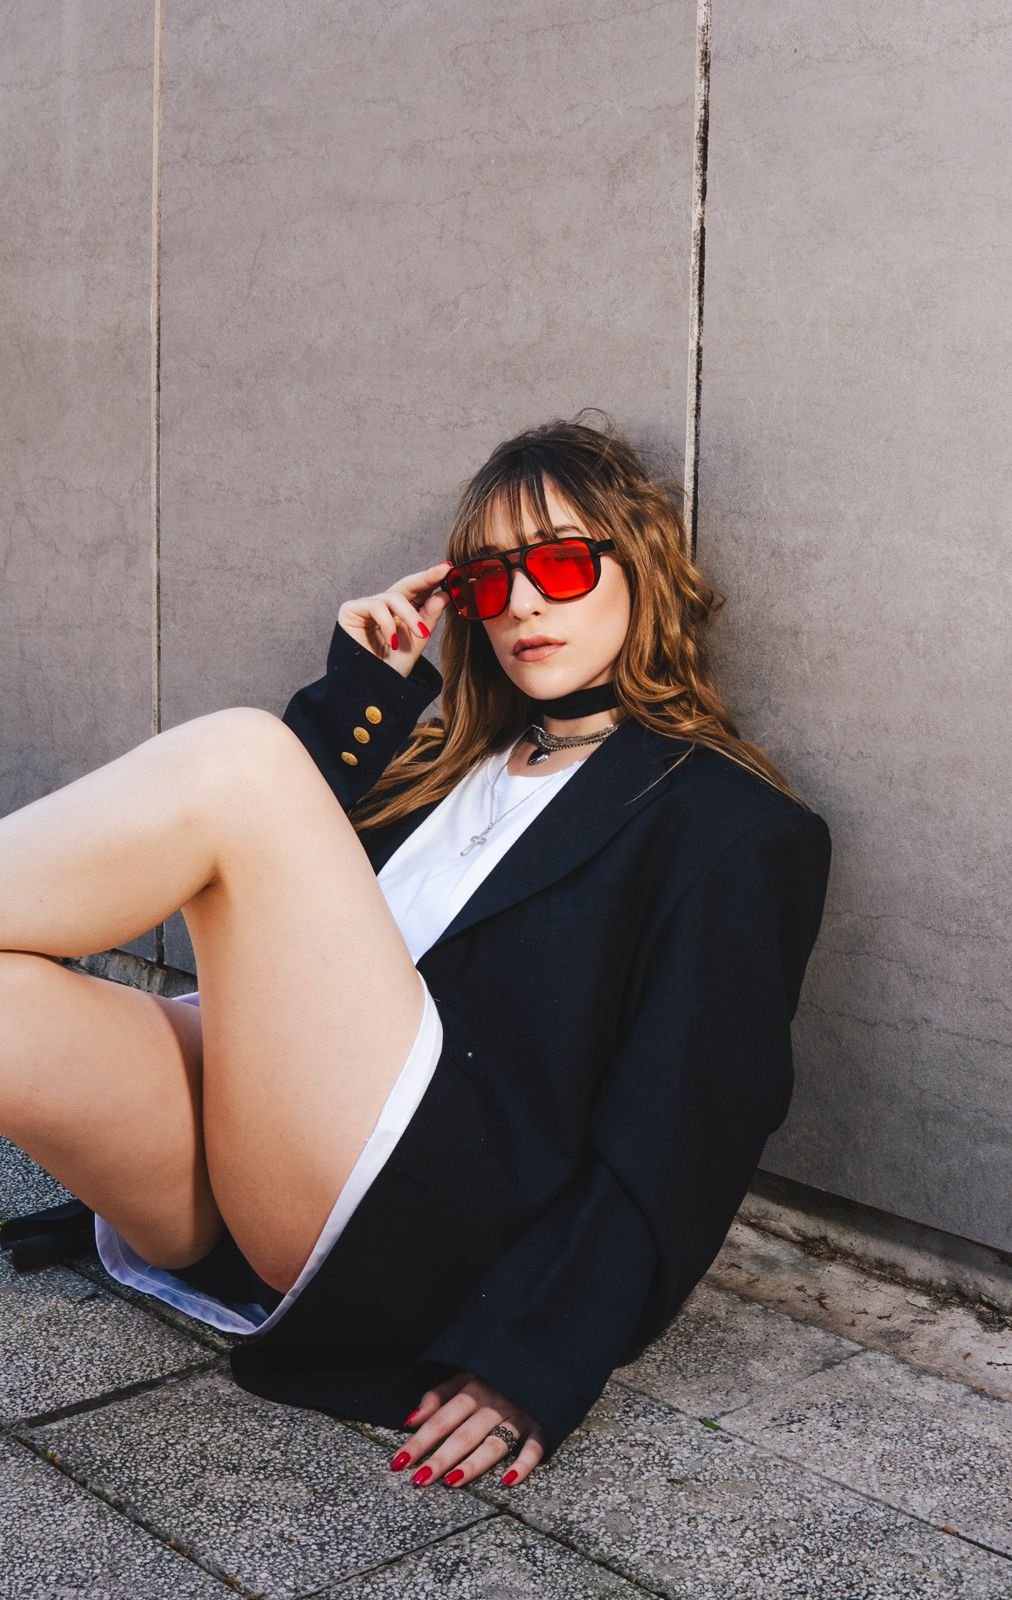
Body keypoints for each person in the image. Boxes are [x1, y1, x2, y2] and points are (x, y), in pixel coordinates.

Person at [0, 412, 831, 1493]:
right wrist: (362, 699)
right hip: (231, 1187)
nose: (521, 602)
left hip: (416, 1217)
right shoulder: (439, 763)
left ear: (644, 570)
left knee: (244, 755)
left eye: (561, 563)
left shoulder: (727, 825)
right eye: (487, 579)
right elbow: (244, 890)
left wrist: (536, 1355)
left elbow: (686, 1128)